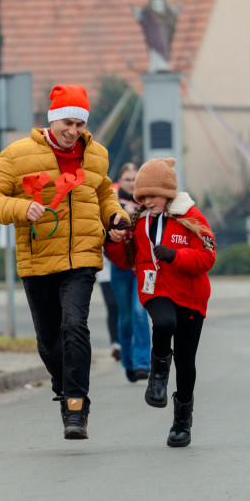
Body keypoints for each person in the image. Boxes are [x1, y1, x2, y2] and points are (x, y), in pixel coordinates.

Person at [0, 84, 129, 440]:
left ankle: (76, 406)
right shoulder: (17, 154)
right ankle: (63, 383)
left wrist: (116, 218)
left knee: (75, 326)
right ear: (53, 120)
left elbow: (104, 194)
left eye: (79, 124)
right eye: (67, 123)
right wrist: (20, 207)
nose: (73, 132)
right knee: (48, 339)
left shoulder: (97, 155)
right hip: (38, 259)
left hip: (82, 258)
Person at [106, 157, 216, 447]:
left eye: (151, 195)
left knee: (186, 360)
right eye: (141, 196)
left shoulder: (190, 215)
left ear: (167, 192)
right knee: (164, 322)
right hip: (155, 289)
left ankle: (182, 421)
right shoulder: (139, 220)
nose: (145, 201)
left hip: (191, 296)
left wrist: (175, 256)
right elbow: (126, 259)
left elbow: (207, 257)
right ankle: (157, 377)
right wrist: (113, 240)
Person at [110, 162, 152, 383]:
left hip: (142, 266)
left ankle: (143, 362)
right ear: (120, 181)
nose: (131, 183)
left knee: (139, 312)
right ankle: (128, 361)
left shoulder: (148, 203)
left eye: (135, 179)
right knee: (125, 317)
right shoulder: (111, 203)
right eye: (127, 179)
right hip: (120, 267)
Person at [96, 261, 121, 363]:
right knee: (112, 306)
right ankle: (115, 343)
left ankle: (126, 344)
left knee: (125, 308)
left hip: (123, 269)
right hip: (105, 272)